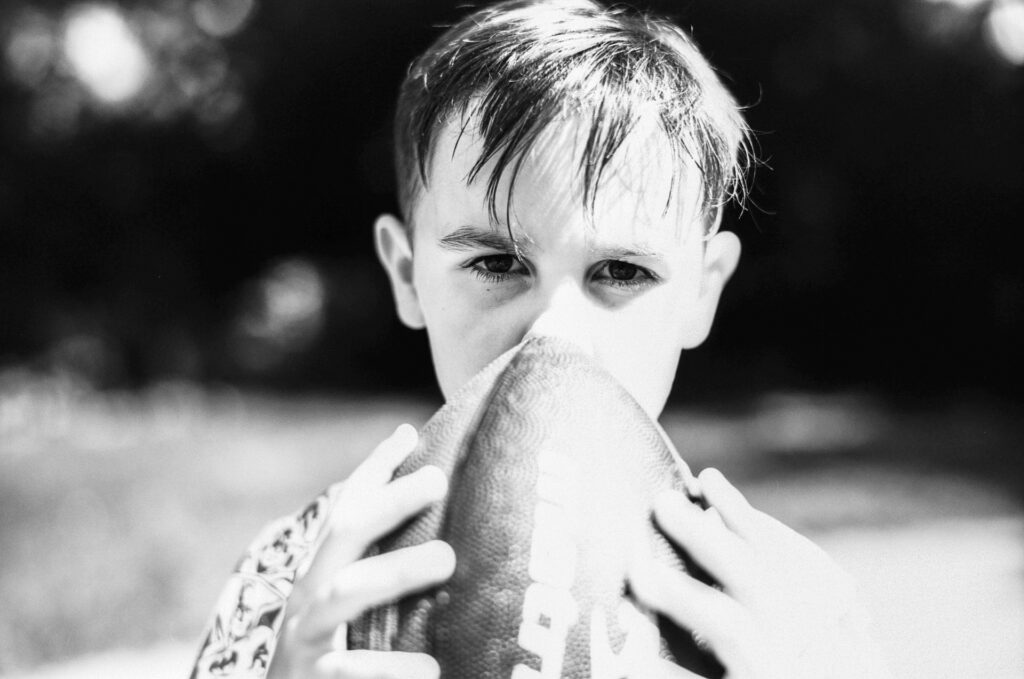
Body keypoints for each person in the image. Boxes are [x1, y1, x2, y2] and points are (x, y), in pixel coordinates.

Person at [190, 1, 892, 677]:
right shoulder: (298, 577)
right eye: (496, 263)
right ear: (408, 274)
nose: (554, 332)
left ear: (701, 291)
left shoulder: (789, 608)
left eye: (620, 270)